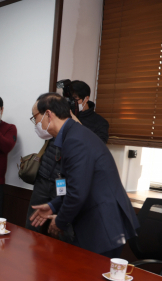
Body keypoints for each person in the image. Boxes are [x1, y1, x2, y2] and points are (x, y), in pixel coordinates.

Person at [28, 93, 139, 258]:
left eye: (35, 118)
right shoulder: (72, 134)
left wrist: (59, 221)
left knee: (90, 280)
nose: (36, 123)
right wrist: (52, 206)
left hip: (103, 225)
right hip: (97, 222)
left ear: (48, 114)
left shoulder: (75, 140)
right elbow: (74, 185)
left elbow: (77, 192)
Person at [24, 80, 109, 236]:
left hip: (65, 182)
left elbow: (95, 146)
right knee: (33, 221)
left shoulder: (92, 126)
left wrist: (72, 120)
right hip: (45, 175)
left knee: (63, 231)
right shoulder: (57, 120)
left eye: (75, 99)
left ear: (85, 99)